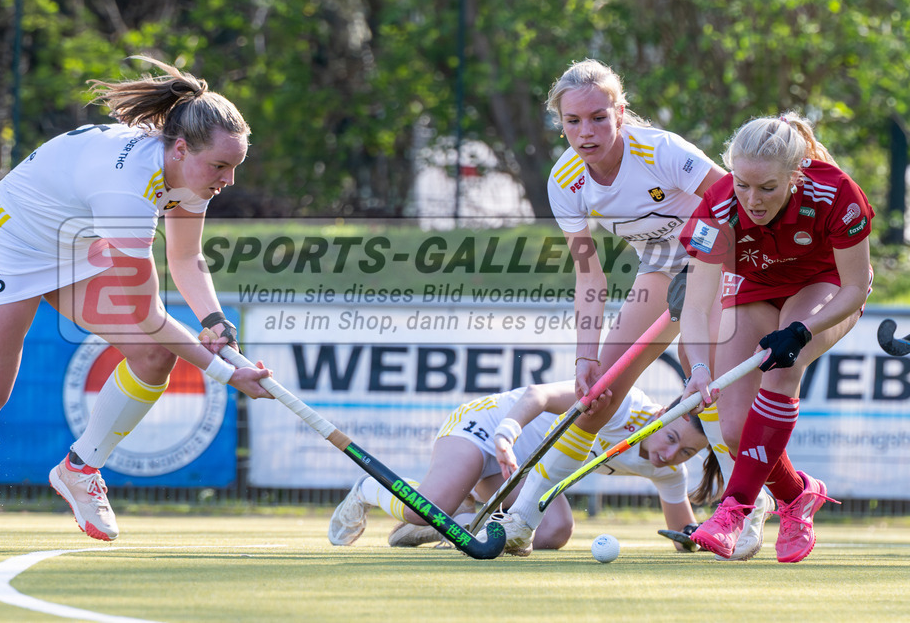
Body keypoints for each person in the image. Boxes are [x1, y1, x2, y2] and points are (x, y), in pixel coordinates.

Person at [0, 56, 274, 551]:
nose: (228, 180)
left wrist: (214, 321)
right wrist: (225, 373)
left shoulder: (189, 173)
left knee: (152, 358)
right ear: (180, 148)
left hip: (75, 244)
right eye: (221, 166)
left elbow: (186, 254)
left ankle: (79, 468)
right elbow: (149, 315)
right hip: (12, 243)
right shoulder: (128, 190)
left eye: (234, 167)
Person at [476, 60, 779, 557]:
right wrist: (584, 357)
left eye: (598, 117)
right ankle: (523, 520)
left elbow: (737, 199)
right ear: (561, 123)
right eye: (573, 122)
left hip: (723, 255)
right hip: (660, 267)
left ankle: (746, 508)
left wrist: (712, 270)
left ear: (620, 112)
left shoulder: (661, 151)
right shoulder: (566, 180)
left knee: (703, 374)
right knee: (598, 393)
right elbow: (588, 274)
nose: (586, 132)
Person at [678, 112, 873, 563]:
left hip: (824, 285)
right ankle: (798, 495)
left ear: (795, 175)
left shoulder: (836, 194)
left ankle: (734, 510)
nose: (752, 199)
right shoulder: (718, 207)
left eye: (767, 187)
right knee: (732, 429)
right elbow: (695, 305)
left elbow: (855, 287)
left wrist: (801, 331)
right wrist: (700, 370)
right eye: (743, 184)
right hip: (753, 288)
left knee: (785, 366)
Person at [328, 382, 719, 553]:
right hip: (488, 428)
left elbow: (682, 531)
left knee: (554, 531)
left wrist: (692, 538)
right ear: (664, 414)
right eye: (671, 439)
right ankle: (367, 489)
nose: (671, 456)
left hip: (519, 469)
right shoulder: (624, 400)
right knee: (420, 510)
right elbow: (539, 394)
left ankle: (466, 517)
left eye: (686, 453)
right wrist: (507, 433)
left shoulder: (667, 469)